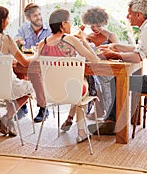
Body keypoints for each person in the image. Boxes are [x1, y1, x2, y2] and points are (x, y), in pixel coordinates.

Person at [88, 0, 147, 135]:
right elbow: (139, 49)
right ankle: (115, 121)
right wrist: (116, 46)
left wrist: (113, 54)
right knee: (123, 79)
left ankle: (112, 123)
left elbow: (137, 57)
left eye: (129, 13)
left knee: (119, 80)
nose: (127, 16)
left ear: (139, 15)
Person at [34, 8, 100, 143]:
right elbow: (94, 59)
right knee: (80, 86)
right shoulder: (70, 39)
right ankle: (81, 132)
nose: (70, 25)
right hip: (71, 90)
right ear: (63, 24)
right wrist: (83, 39)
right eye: (69, 22)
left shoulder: (42, 43)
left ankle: (70, 118)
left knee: (75, 84)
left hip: (50, 91)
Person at [0, 5, 35, 136]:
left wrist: (8, 60)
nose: (9, 20)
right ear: (1, 20)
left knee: (16, 87)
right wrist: (38, 55)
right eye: (7, 18)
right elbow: (25, 62)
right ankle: (8, 117)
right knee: (32, 87)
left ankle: (8, 120)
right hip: (6, 85)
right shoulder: (6, 39)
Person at [60, 7, 119, 132]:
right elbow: (77, 48)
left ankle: (109, 121)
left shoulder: (110, 36)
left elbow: (118, 52)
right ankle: (71, 118)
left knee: (105, 87)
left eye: (98, 25)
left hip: (107, 73)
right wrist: (80, 36)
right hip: (93, 74)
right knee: (80, 82)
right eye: (92, 26)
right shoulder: (88, 37)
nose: (95, 28)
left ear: (103, 23)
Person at [14, 3, 51, 120]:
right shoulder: (23, 29)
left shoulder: (49, 29)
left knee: (35, 74)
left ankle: (43, 108)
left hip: (46, 64)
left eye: (39, 14)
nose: (39, 17)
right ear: (28, 18)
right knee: (17, 71)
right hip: (28, 62)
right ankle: (22, 106)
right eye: (35, 16)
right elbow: (16, 43)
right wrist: (18, 44)